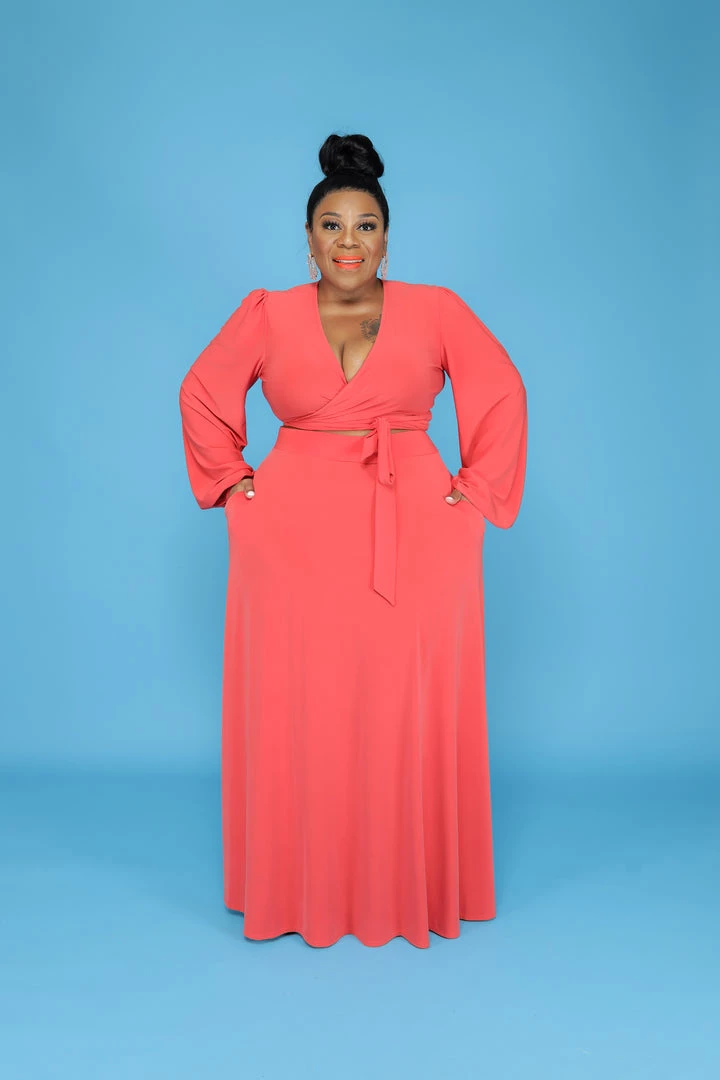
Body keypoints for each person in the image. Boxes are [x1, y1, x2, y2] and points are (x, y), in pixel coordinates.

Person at [178, 132, 528, 949]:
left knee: (407, 700)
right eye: (331, 225)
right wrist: (234, 486)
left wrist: (472, 495)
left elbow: (502, 392)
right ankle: (300, 887)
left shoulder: (436, 309)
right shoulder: (268, 312)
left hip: (418, 533)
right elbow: (201, 393)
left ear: (387, 238)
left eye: (365, 225)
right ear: (307, 239)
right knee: (301, 701)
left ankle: (407, 886)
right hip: (289, 539)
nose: (348, 241)